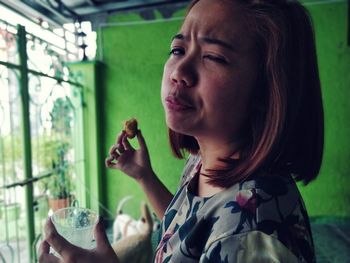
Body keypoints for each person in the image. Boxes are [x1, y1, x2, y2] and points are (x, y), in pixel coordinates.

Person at [39, 0, 323, 262]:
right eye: (178, 49)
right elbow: (189, 231)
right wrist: (144, 176)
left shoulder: (248, 237)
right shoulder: (203, 160)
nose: (179, 71)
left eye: (213, 56)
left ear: (267, 90)